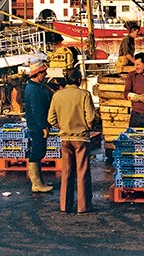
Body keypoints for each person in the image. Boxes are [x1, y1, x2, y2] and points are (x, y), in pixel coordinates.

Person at [47, 68, 96, 214]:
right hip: (81, 138)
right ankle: (83, 206)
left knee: (67, 172)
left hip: (65, 137)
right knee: (82, 172)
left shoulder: (57, 96)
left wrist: (61, 126)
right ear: (79, 80)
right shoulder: (84, 95)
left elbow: (51, 119)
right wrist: (86, 126)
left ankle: (64, 206)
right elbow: (91, 118)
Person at [23, 60, 54, 193]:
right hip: (37, 126)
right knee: (37, 151)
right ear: (38, 73)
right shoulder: (34, 89)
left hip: (36, 125)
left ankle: (39, 181)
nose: (45, 74)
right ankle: (36, 184)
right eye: (44, 72)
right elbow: (37, 110)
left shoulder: (35, 87)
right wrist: (43, 126)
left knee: (39, 151)